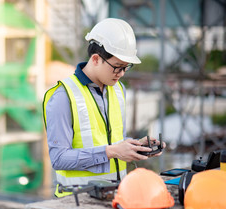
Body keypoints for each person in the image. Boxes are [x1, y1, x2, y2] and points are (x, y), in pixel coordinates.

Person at [42, 18, 165, 197]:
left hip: (116, 197)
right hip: (77, 203)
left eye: (126, 67)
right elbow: (59, 159)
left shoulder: (118, 90)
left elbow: (110, 140)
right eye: (117, 67)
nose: (121, 74)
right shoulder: (63, 96)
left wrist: (135, 146)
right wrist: (113, 151)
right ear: (96, 59)